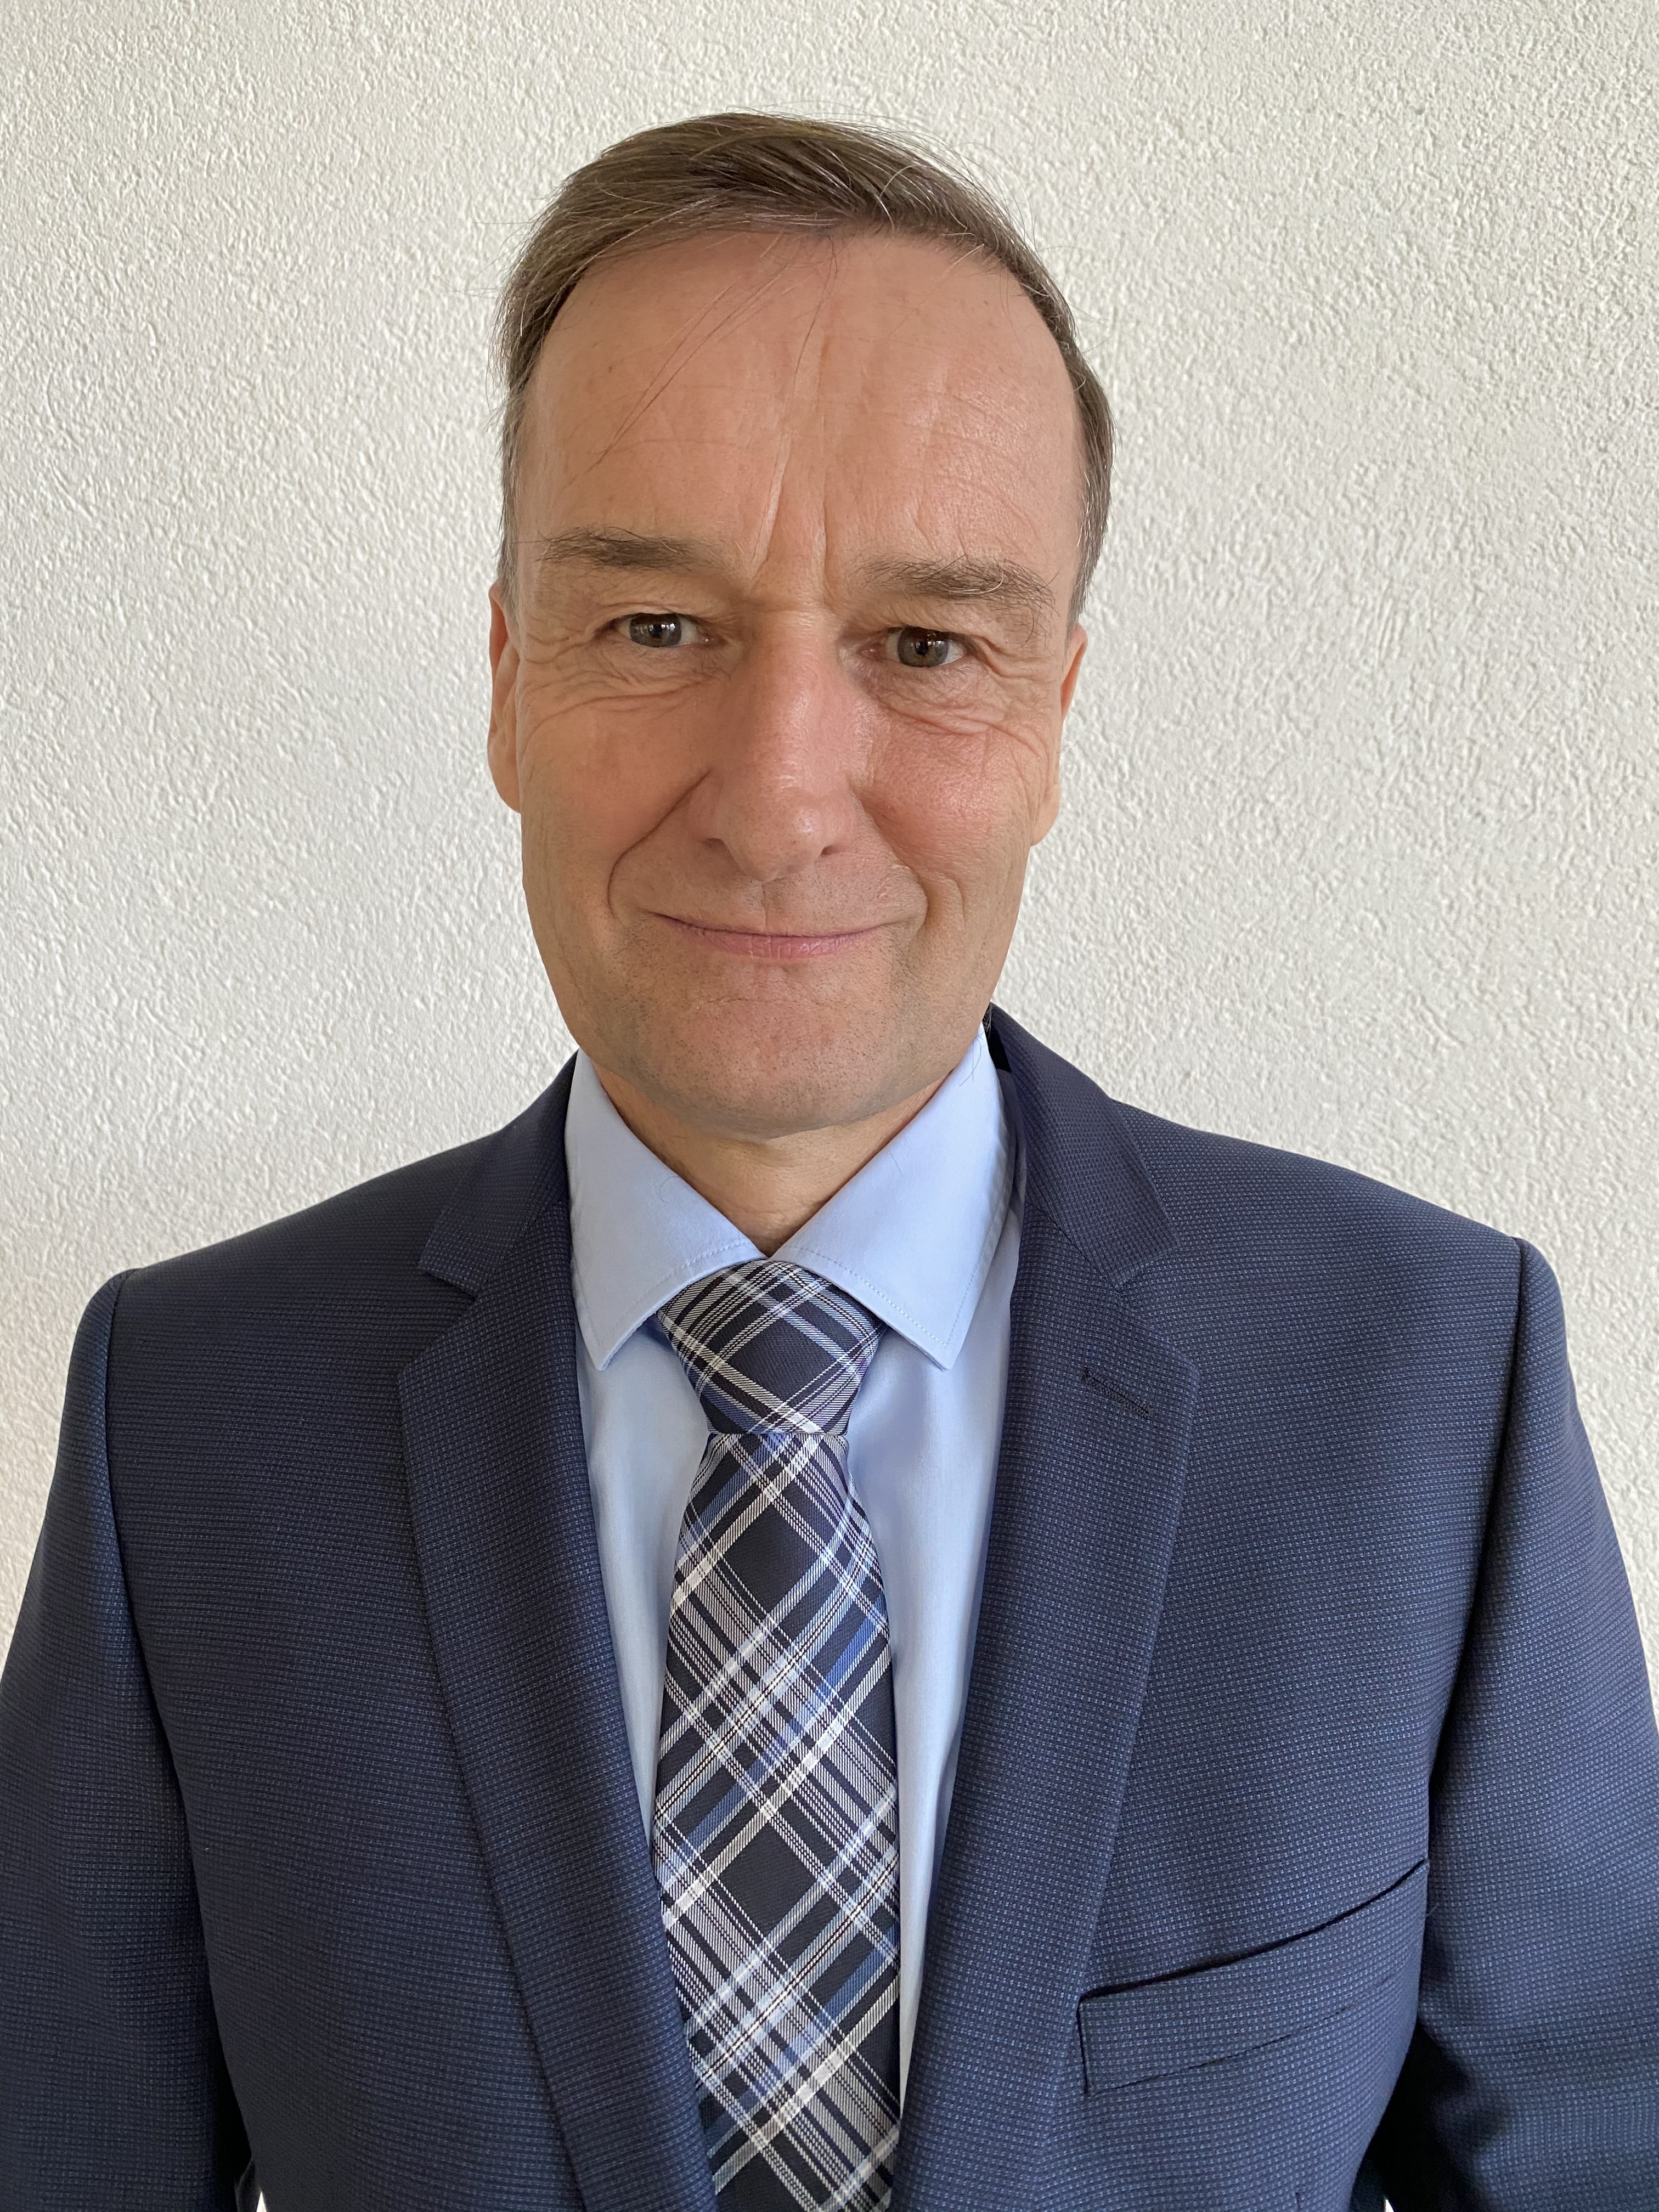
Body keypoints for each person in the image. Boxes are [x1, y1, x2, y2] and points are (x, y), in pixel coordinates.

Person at [1, 111, 1654, 2212]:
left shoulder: (1427, 1384)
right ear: (506, 681)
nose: (780, 800)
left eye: (928, 645)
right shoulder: (186, 1418)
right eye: (654, 626)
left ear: (1054, 716)